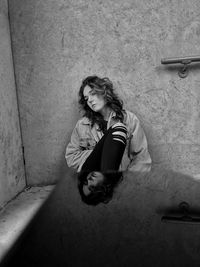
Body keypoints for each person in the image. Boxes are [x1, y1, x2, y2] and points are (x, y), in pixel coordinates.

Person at [65, 76, 151, 205]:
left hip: (119, 181)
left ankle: (109, 188)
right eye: (87, 98)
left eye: (93, 94)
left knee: (119, 129)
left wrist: (127, 184)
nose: (90, 101)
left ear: (104, 91)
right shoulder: (82, 125)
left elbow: (142, 158)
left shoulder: (130, 119)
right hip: (92, 172)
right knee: (119, 130)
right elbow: (71, 157)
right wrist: (99, 153)